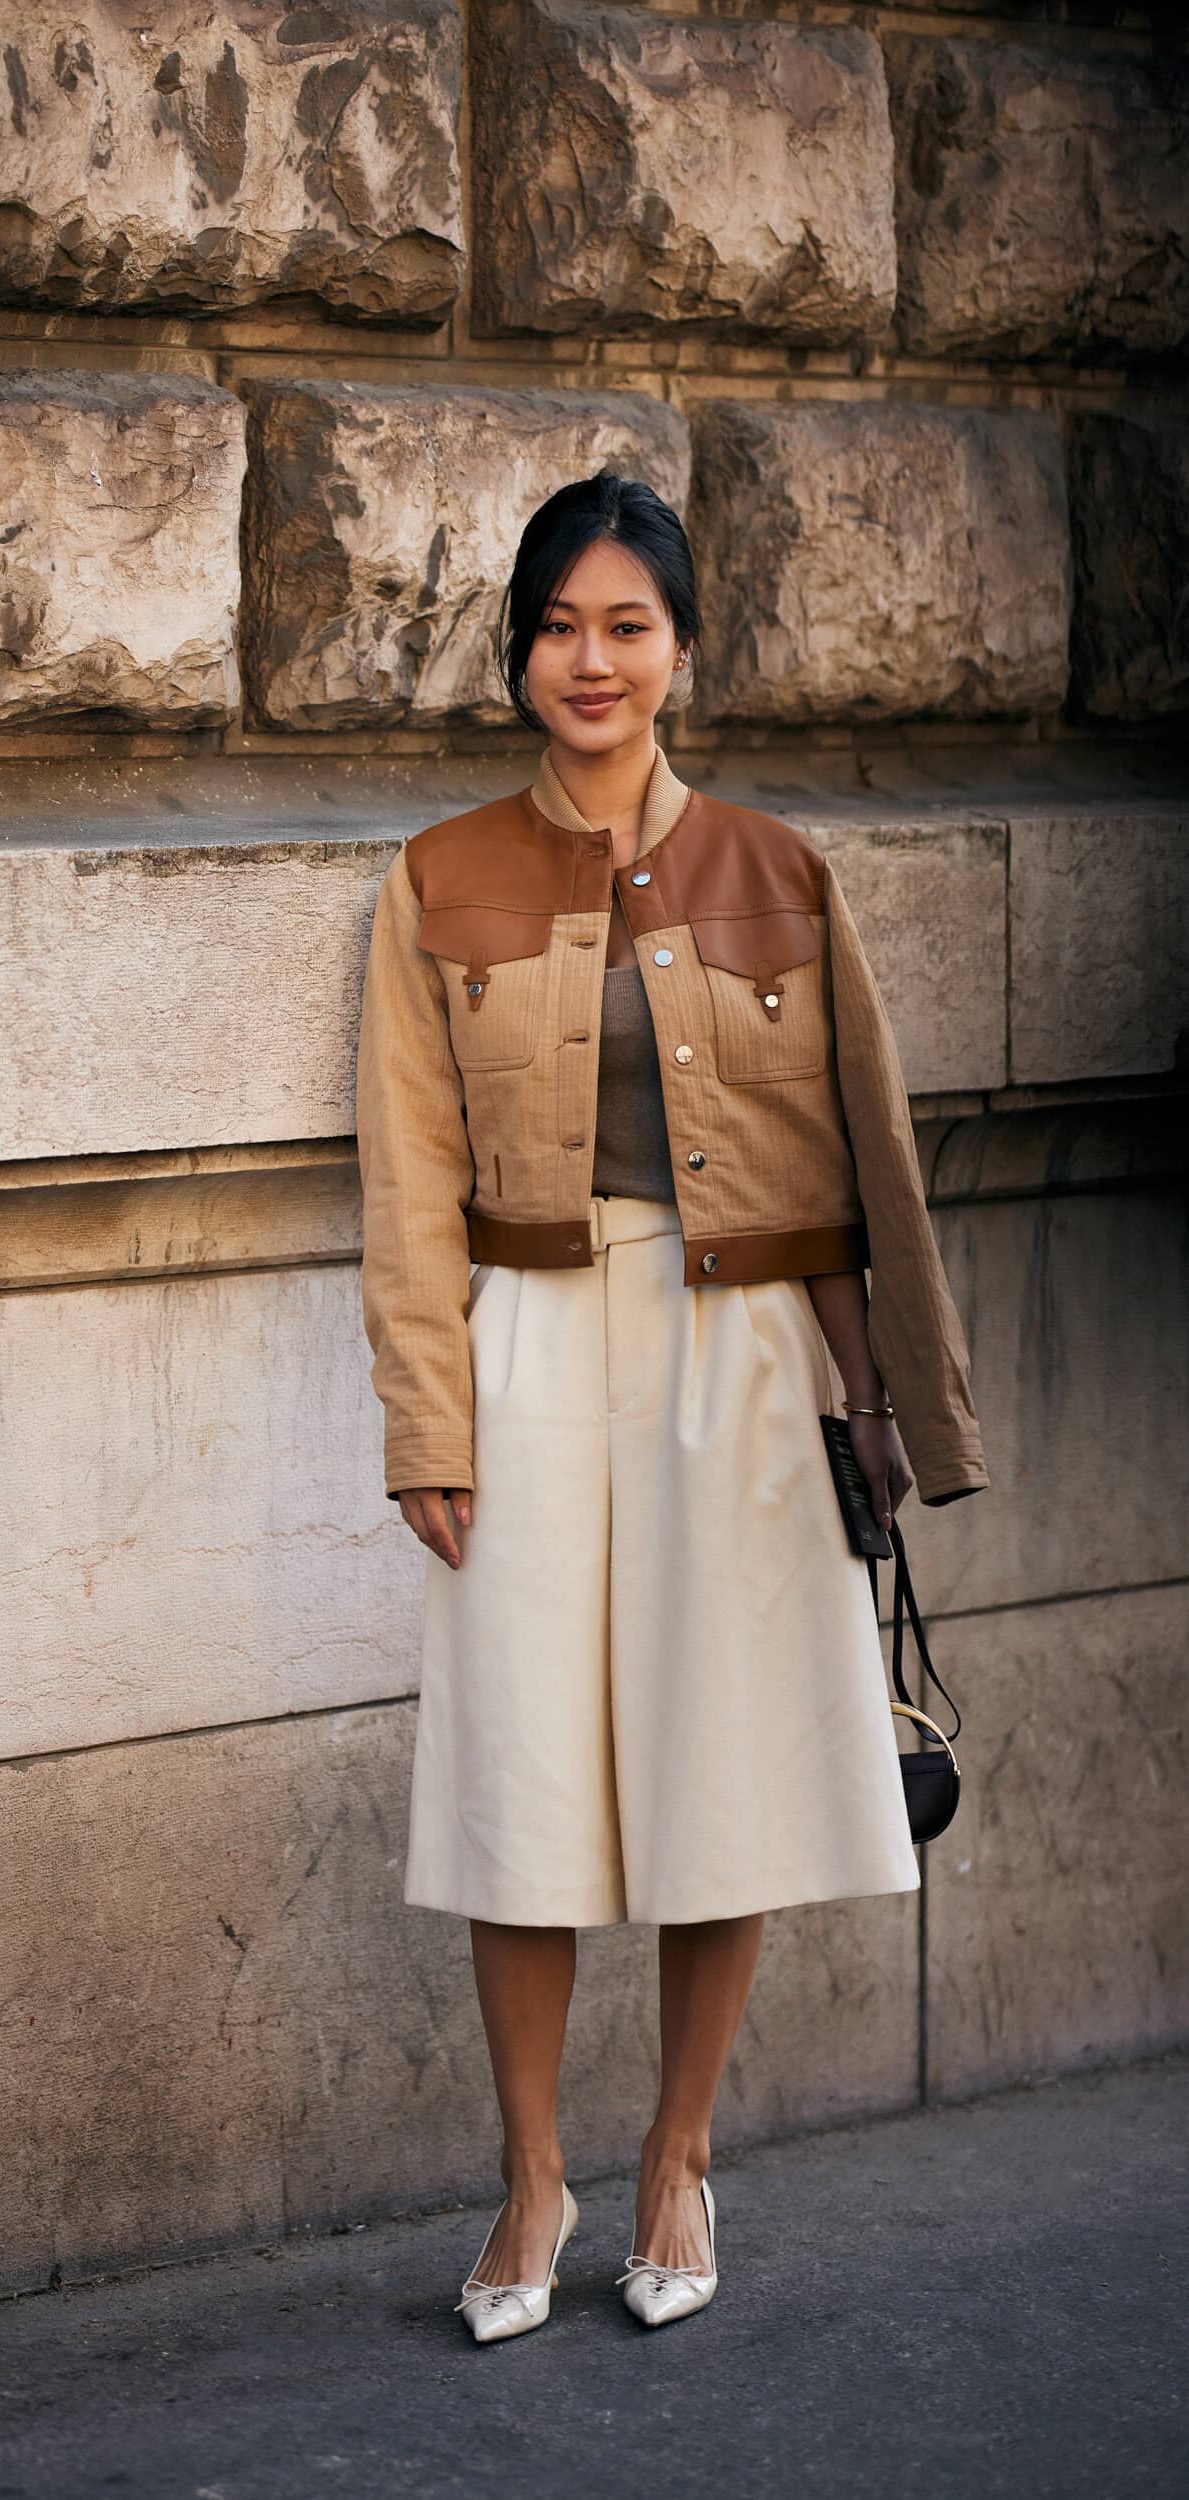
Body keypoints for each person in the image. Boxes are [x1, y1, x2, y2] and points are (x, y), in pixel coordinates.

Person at [354, 469, 987, 2344]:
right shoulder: (435, 876)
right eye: (558, 624)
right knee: (517, 1778)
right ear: (518, 656)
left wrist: (895, 1416)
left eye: (627, 624)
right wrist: (426, 1422)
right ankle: (532, 2177)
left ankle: (676, 2157)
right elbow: (402, 1177)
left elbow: (867, 1163)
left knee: (722, 1770)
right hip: (528, 1339)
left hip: (746, 1346)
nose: (591, 658)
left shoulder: (783, 873)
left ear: (684, 652)